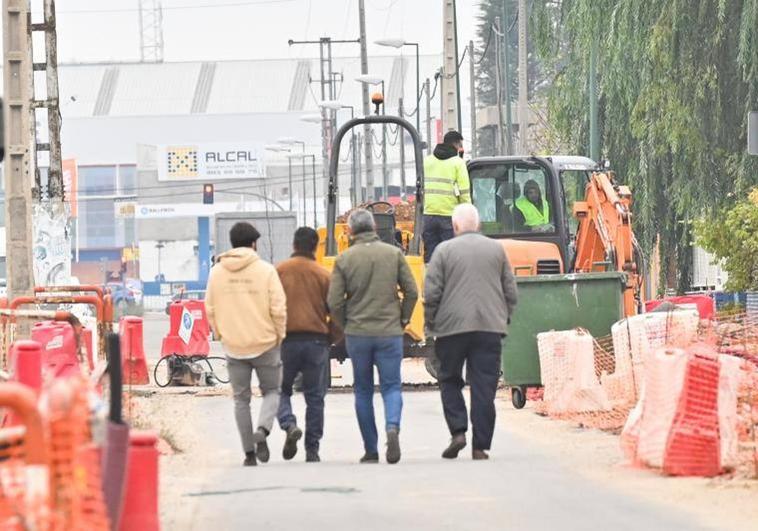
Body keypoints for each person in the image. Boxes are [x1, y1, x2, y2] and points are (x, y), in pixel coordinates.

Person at [424, 203, 518, 460]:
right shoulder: (496, 250)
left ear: (454, 226)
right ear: (478, 225)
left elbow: (431, 293)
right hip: (489, 328)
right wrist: (504, 317)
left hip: (451, 329)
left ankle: (458, 432)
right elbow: (510, 290)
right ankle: (480, 446)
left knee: (450, 379)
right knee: (484, 385)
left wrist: (431, 323)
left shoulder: (443, 251)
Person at [327, 209, 418, 464]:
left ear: (350, 231)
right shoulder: (393, 254)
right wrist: (403, 319)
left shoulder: (344, 259)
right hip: (389, 332)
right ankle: (392, 426)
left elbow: (334, 302)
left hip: (358, 335)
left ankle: (371, 449)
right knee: (391, 386)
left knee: (363, 390)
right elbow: (411, 291)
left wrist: (345, 325)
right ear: (375, 227)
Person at [205, 222, 286, 467]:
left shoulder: (217, 272)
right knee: (272, 391)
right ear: (253, 243)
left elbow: (209, 308)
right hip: (265, 343)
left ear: (232, 243)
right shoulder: (266, 270)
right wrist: (280, 335)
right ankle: (262, 428)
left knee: (241, 400)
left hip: (233, 346)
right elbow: (278, 308)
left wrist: (221, 334)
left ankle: (249, 454)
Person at [275, 227, 332, 463]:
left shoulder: (279, 272)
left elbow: (270, 306)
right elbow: (336, 310)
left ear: (294, 245)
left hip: (287, 341)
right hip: (317, 342)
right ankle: (312, 449)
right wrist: (333, 337)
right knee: (315, 397)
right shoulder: (323, 274)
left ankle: (289, 424)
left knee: (280, 390)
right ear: (315, 247)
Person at [422, 130, 471, 263]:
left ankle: (430, 281)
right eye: (460, 145)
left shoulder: (427, 161)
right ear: (456, 144)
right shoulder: (458, 163)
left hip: (428, 215)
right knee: (450, 256)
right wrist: (467, 214)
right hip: (449, 216)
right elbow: (464, 192)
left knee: (431, 256)